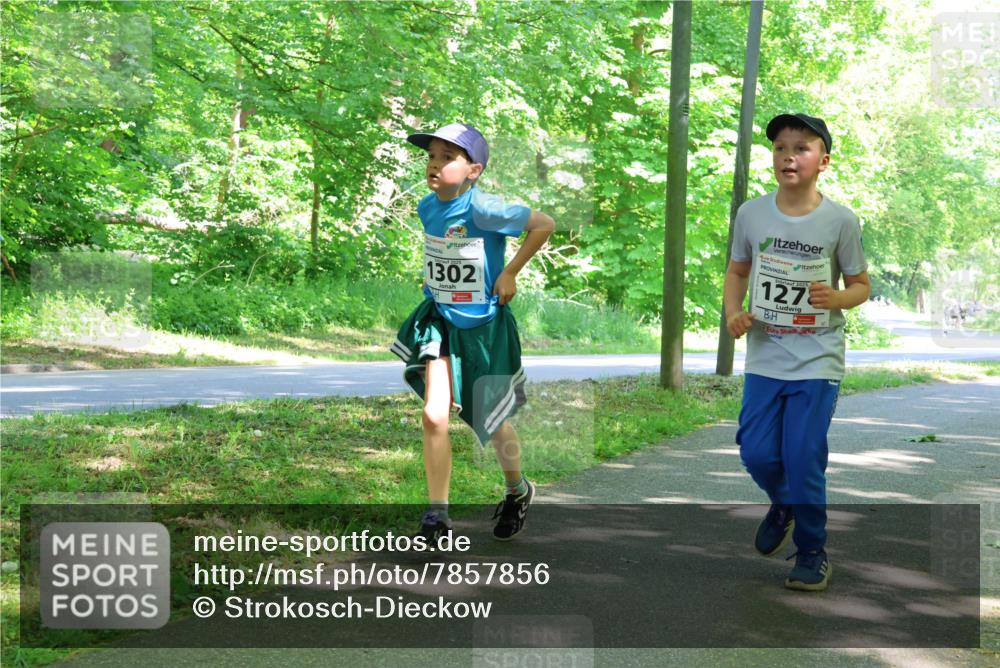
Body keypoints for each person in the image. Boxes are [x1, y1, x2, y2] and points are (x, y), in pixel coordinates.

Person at [723, 113, 870, 591]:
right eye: (781, 147)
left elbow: (861, 285)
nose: (789, 155)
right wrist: (733, 313)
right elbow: (738, 272)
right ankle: (783, 500)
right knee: (758, 453)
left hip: (817, 357)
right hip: (766, 357)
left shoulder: (841, 220)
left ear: (823, 161)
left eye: (802, 148)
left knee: (804, 455)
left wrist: (838, 297)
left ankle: (812, 552)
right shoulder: (752, 213)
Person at [391, 123, 555, 542]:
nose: (435, 164)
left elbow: (544, 224)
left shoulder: (485, 209)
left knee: (489, 418)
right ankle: (437, 515)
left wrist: (509, 273)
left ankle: (517, 491)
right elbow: (442, 248)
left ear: (473, 170)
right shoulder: (428, 207)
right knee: (434, 413)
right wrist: (434, 279)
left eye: (448, 158)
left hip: (483, 326)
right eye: (431, 156)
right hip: (441, 320)